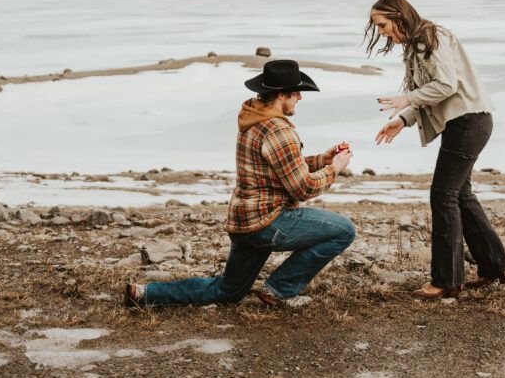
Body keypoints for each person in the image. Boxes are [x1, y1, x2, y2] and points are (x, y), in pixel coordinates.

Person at [124, 59, 355, 309]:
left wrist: (322, 159)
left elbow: (280, 168)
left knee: (228, 290)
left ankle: (144, 294)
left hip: (244, 223)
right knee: (344, 231)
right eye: (297, 92)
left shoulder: (253, 119)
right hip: (268, 221)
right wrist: (335, 169)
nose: (300, 97)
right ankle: (280, 289)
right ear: (281, 95)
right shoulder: (278, 130)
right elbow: (303, 188)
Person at [367, 0, 505, 300]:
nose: (381, 32)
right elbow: (427, 91)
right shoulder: (416, 44)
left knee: (443, 194)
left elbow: (446, 84)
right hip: (467, 122)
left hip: (468, 121)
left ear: (398, 16)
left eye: (382, 25)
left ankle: (447, 280)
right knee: (459, 193)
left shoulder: (429, 38)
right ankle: (496, 266)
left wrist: (407, 100)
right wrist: (403, 119)